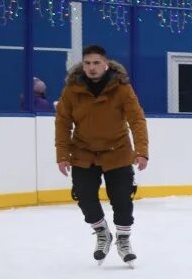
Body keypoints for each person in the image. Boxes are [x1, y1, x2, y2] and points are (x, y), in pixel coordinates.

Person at [54, 45, 148, 265]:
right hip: (83, 153)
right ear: (82, 65)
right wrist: (62, 154)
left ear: (106, 64)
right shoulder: (72, 90)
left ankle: (123, 239)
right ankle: (102, 233)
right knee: (84, 197)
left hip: (118, 152)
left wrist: (141, 151)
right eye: (87, 63)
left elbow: (137, 120)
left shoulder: (122, 88)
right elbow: (63, 123)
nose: (92, 67)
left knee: (122, 199)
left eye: (96, 63)